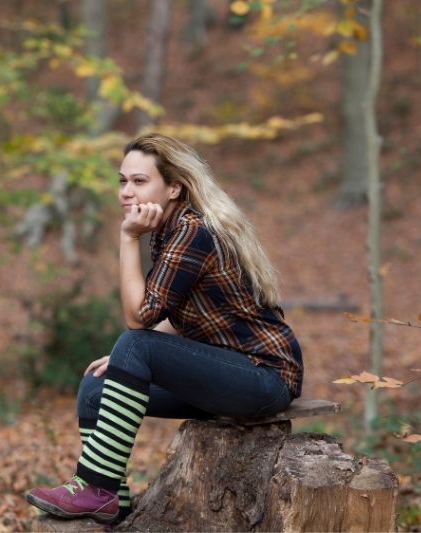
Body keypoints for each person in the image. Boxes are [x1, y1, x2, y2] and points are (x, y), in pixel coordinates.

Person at [26, 133, 303, 524]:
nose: (126, 191)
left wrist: (127, 238)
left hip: (263, 377)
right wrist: (126, 361)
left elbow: (139, 318)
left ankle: (94, 487)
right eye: (122, 180)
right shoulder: (171, 230)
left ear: (174, 187)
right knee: (95, 387)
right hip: (222, 372)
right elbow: (177, 314)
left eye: (140, 181)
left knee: (134, 341)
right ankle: (112, 498)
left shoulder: (194, 232)